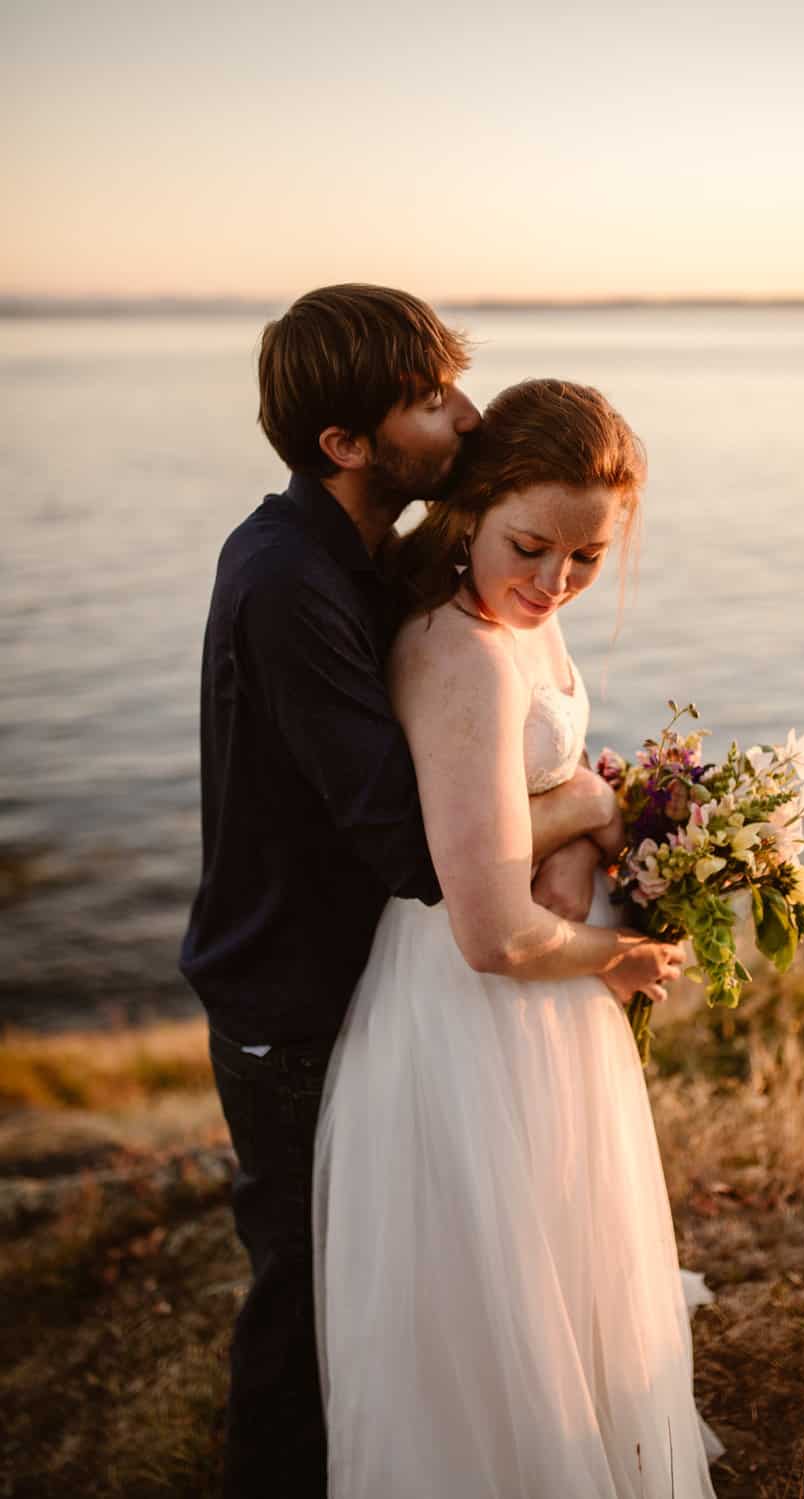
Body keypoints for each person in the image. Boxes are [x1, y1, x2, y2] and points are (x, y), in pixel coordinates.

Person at [179, 286, 642, 1499]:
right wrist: (593, 805)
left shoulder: (374, 558)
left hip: (369, 973)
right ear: (346, 443)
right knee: (311, 1295)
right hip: (290, 992)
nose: (467, 413)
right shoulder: (288, 580)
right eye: (430, 401)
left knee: (403, 1279)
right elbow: (412, 844)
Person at [313, 378, 721, 1497]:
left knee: (558, 1258)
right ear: (472, 510)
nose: (554, 581)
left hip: (545, 987)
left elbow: (526, 793)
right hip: (473, 1010)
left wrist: (591, 834)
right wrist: (623, 951)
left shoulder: (521, 619)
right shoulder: (461, 655)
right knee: (495, 1290)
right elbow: (489, 929)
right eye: (531, 547)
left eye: (587, 557)